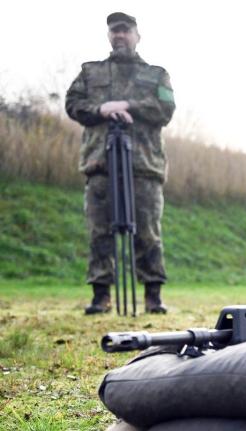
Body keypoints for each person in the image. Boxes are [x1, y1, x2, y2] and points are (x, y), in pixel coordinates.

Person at [66, 12, 175, 314]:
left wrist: (128, 106)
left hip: (144, 166)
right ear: (109, 36)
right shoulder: (90, 72)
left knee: (148, 232)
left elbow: (166, 108)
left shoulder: (156, 74)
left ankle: (153, 296)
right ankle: (101, 297)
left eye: (125, 30)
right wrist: (102, 108)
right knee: (99, 231)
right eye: (115, 31)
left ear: (137, 35)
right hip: (100, 163)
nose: (120, 35)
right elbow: (72, 104)